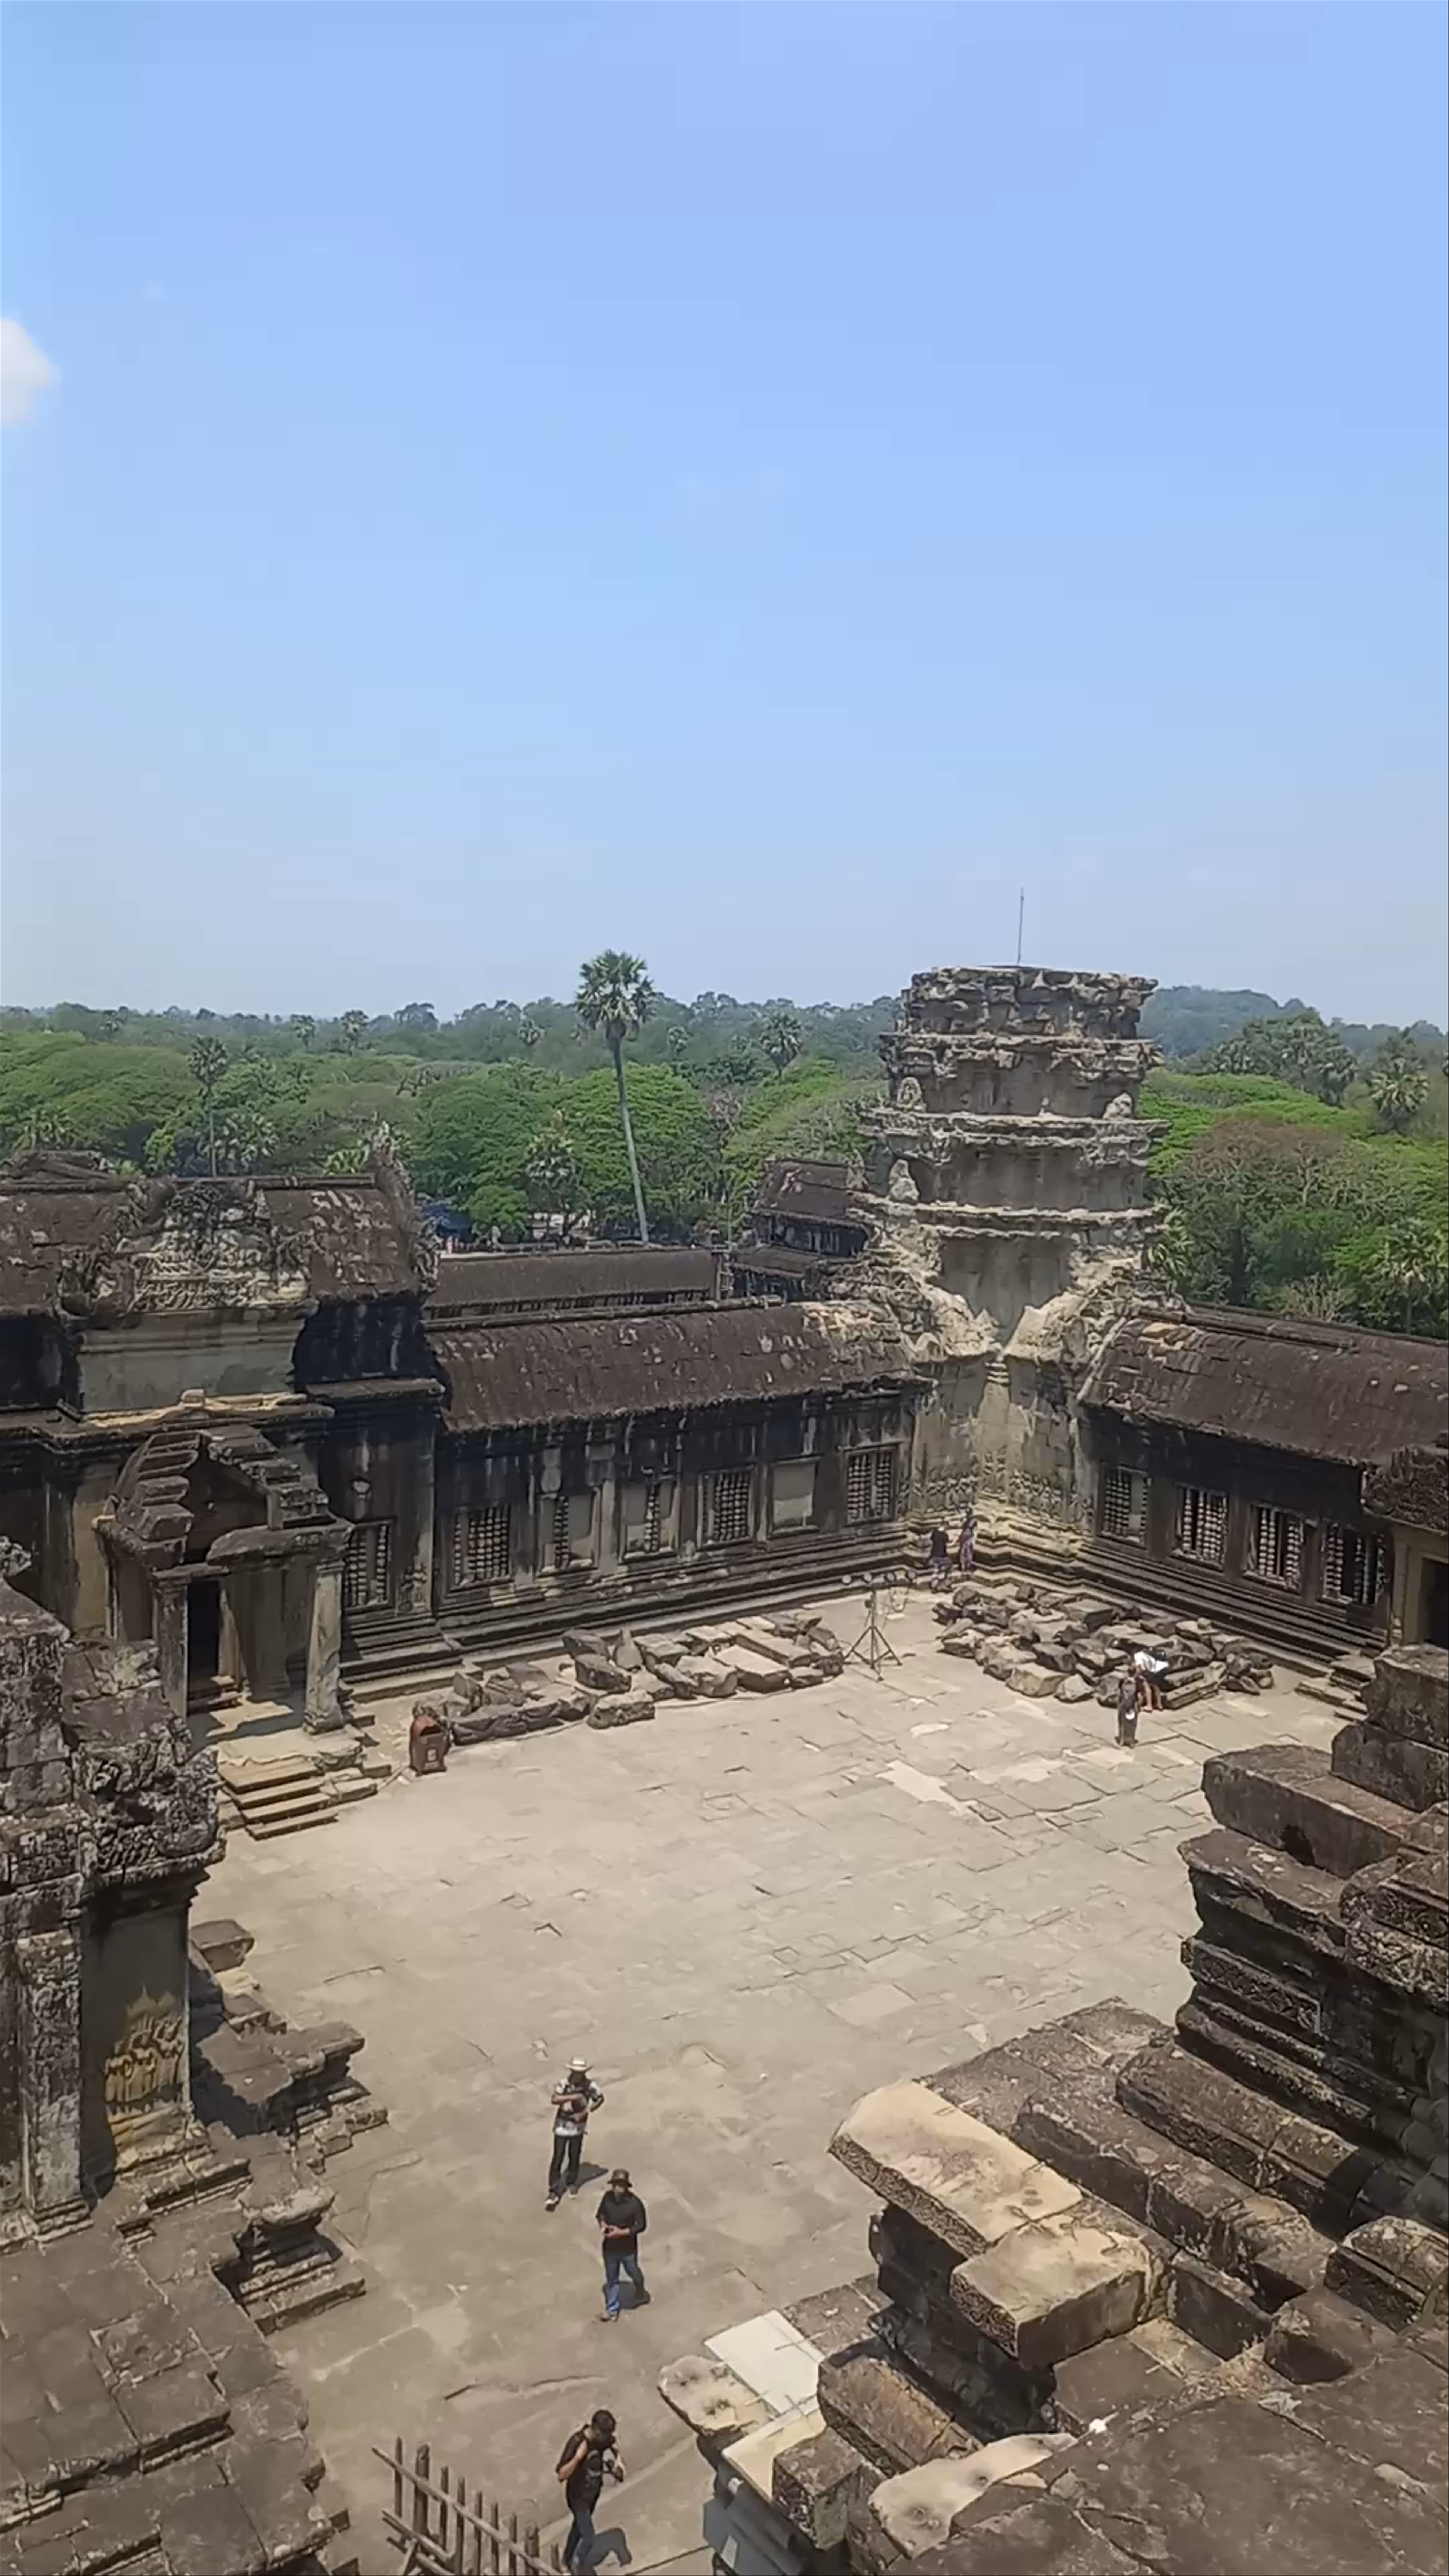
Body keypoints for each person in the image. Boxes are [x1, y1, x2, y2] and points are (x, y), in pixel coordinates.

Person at [555, 2409, 623, 2573]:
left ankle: (565, 2560)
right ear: (598, 2432)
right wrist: (578, 2458)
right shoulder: (578, 2442)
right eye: (607, 2435)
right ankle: (576, 2568)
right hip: (578, 2497)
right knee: (588, 2538)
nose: (609, 2438)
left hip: (592, 2495)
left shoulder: (602, 2440)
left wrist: (618, 2461)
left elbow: (614, 2444)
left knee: (578, 2529)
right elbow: (561, 2474)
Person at [546, 2058, 605, 2209]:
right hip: (561, 2126)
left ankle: (572, 2182)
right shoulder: (564, 2084)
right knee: (558, 2157)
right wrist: (574, 2097)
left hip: (578, 2127)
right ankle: (554, 2190)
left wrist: (587, 2112)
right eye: (575, 2072)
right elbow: (554, 2099)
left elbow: (599, 2099)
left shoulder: (590, 2086)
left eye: (580, 2073)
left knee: (575, 2155)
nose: (577, 2075)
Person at [597, 2168, 649, 2321]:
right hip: (610, 2248)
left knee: (633, 2271)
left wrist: (622, 2232)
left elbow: (641, 2225)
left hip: (628, 2249)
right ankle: (612, 2310)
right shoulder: (607, 2198)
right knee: (612, 2278)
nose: (617, 2189)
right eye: (615, 2185)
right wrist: (603, 2224)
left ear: (626, 2187)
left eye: (620, 2186)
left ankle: (640, 2290)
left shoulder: (635, 2204)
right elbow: (601, 2214)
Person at [1132, 1647, 1168, 1712]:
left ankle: (1149, 1706)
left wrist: (1135, 1677)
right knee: (1156, 1686)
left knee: (1147, 1687)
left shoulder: (1137, 1655)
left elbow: (1143, 1668)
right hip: (1160, 1669)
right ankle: (1159, 1705)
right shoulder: (1147, 1654)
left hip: (1150, 1672)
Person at [1115, 1669, 1139, 1748]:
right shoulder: (1123, 1681)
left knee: (1132, 1723)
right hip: (1124, 1704)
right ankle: (1122, 1739)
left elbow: (1137, 1695)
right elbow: (1120, 1693)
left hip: (1133, 1704)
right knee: (1123, 1722)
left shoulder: (1136, 1682)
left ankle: (1131, 1740)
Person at [926, 1526, 949, 1590]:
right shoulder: (945, 1535)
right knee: (942, 1571)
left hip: (934, 1554)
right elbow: (947, 1544)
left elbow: (932, 1540)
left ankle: (933, 1585)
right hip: (942, 1555)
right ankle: (941, 1585)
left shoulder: (935, 1533)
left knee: (936, 1570)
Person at [956, 1508, 977, 1577]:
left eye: (968, 1513)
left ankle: (968, 1567)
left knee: (968, 1553)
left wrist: (974, 1540)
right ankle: (964, 1567)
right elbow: (964, 1530)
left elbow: (974, 1531)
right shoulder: (966, 1521)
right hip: (964, 1538)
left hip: (969, 1538)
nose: (967, 1514)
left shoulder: (973, 1520)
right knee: (963, 1553)